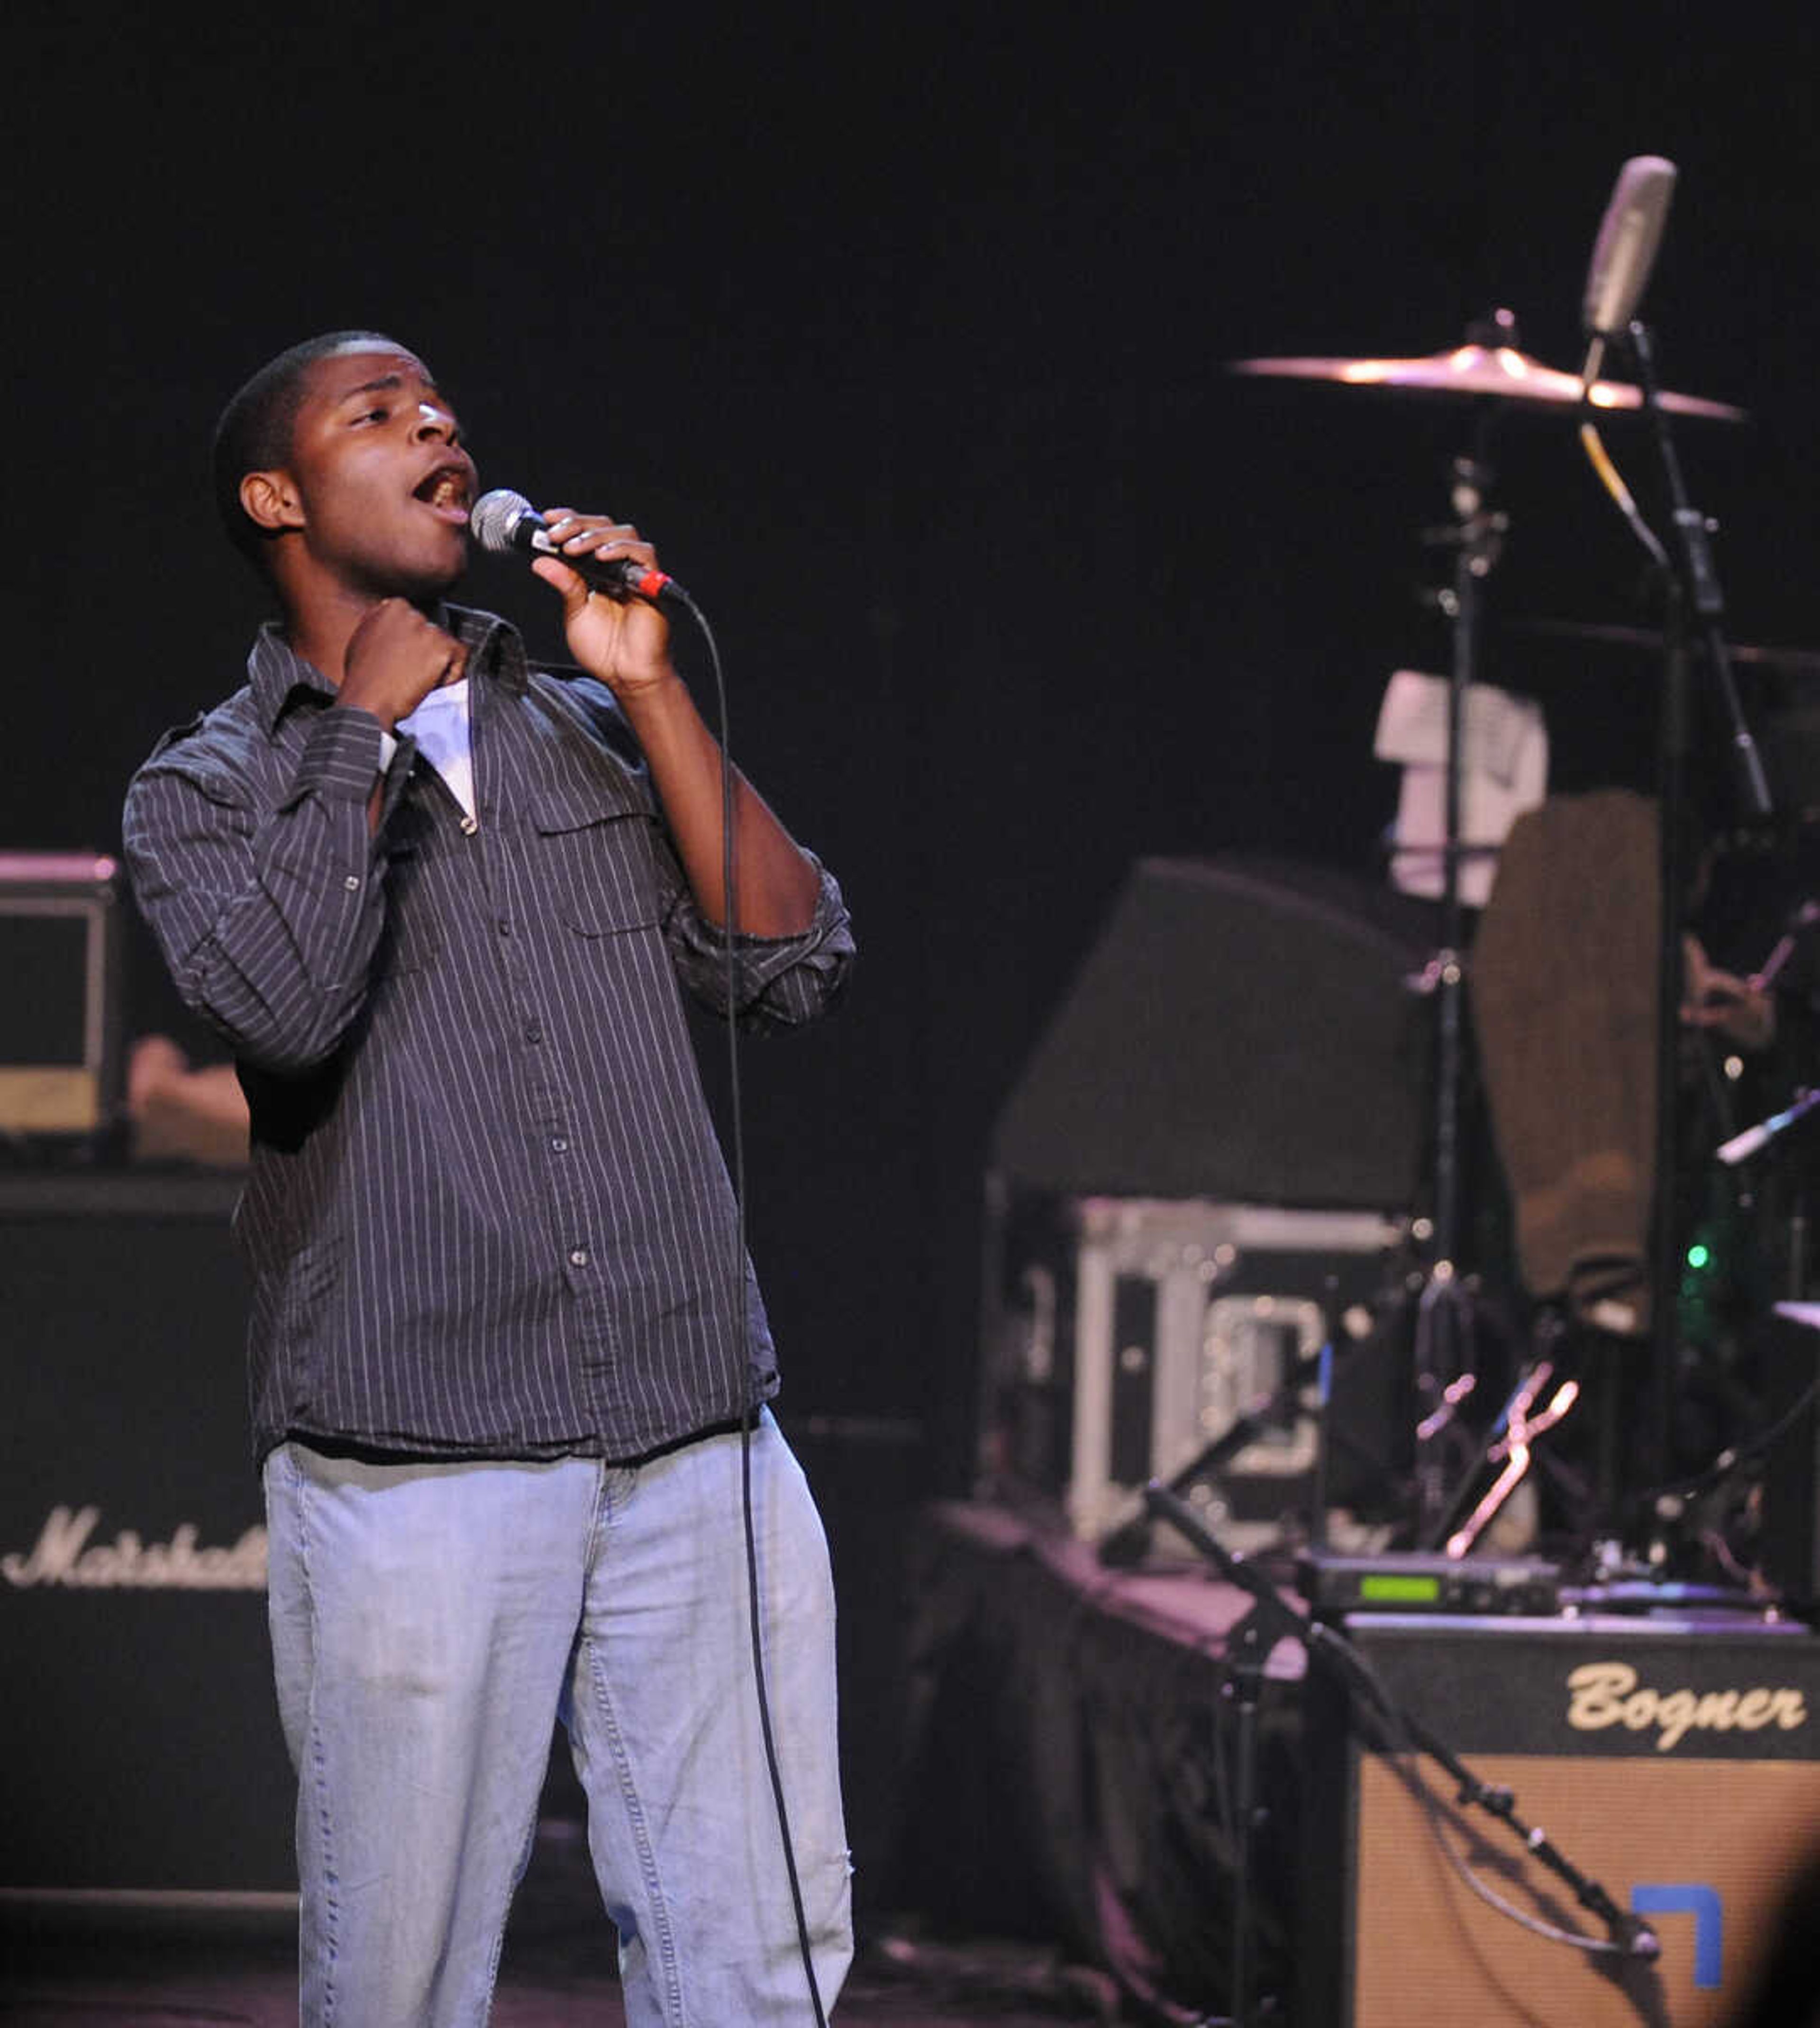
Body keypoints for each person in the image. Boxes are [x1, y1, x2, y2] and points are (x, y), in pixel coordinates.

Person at [122, 332, 856, 2025]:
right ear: (276, 495)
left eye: (441, 404)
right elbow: (290, 1010)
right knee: (402, 1978)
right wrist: (365, 747)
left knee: (761, 1957)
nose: (436, 423)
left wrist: (653, 681)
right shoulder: (208, 786)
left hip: (698, 1441)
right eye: (376, 413)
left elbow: (792, 961)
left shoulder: (593, 729)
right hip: (420, 1462)